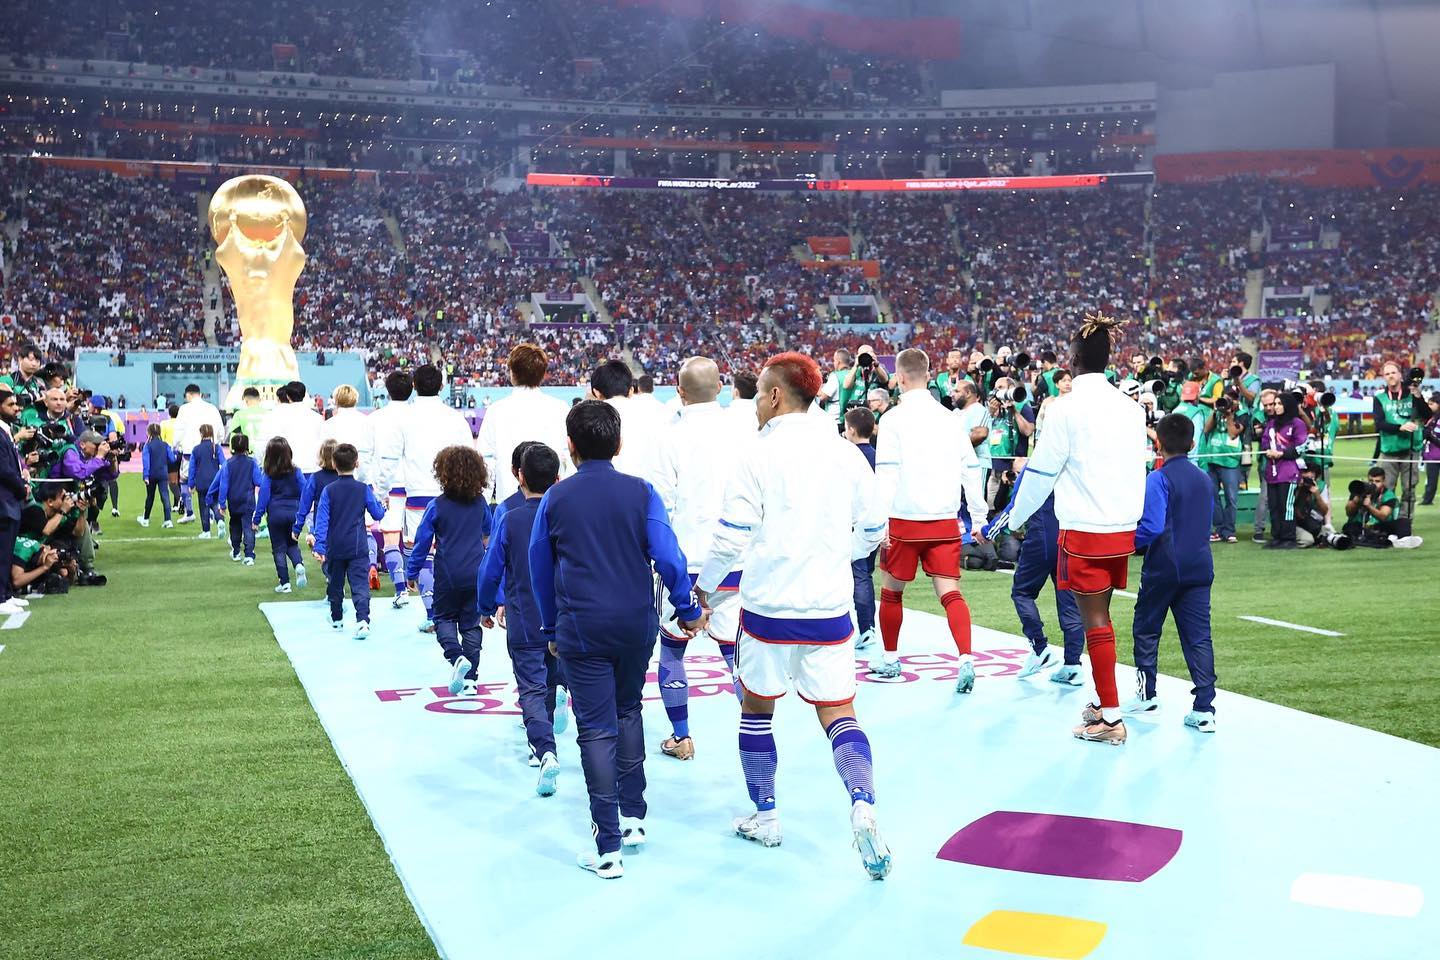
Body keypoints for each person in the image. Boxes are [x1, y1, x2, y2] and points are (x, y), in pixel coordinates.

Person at [694, 352, 891, 879]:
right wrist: (840, 556)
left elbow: (731, 536)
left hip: (767, 609)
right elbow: (875, 529)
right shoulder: (847, 454)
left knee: (756, 711)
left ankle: (767, 815)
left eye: (759, 393)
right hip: (828, 607)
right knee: (840, 714)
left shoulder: (755, 455)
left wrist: (704, 588)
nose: (756, 402)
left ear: (776, 395)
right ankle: (863, 805)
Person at [527, 400, 706, 879]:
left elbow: (539, 571)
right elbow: (669, 558)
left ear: (570, 446)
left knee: (596, 729)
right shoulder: (643, 492)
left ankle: (608, 846)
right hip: (635, 623)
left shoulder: (555, 499)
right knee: (628, 710)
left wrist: (550, 629)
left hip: (581, 627)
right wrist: (686, 610)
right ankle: (634, 818)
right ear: (619, 444)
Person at [987, 314, 1147, 746]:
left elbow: (1040, 475)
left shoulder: (1063, 409)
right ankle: (1104, 700)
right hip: (1121, 528)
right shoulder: (1132, 408)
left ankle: (1111, 718)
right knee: (1101, 618)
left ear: (1073, 361)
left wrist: (1011, 519)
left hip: (1085, 530)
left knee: (1096, 623)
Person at [868, 348, 988, 691]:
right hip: (943, 520)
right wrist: (978, 517)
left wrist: (878, 523)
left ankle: (890, 659)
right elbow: (971, 468)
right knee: (950, 593)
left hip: (904, 520)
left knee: (892, 594)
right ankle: (965, 657)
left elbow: (887, 474)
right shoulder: (952, 419)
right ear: (928, 372)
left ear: (900, 378)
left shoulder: (892, 420)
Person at [648, 357, 749, 762]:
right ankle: (756, 724)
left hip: (684, 564)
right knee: (735, 652)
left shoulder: (668, 437)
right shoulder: (744, 433)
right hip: (735, 561)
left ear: (679, 390)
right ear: (722, 386)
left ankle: (682, 736)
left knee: (672, 649)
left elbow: (660, 507)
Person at [478, 442, 566, 796]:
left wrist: (485, 605)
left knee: (530, 687)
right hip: (562, 616)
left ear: (519, 476)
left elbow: (490, 569)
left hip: (524, 616)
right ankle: (558, 697)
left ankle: (544, 750)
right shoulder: (566, 514)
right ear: (557, 478)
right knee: (553, 674)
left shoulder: (510, 517)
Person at [1127, 414, 1219, 732]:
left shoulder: (1157, 479)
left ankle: (1146, 694)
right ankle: (1205, 707)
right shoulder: (1205, 478)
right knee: (1198, 637)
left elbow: (1151, 526)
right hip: (1200, 565)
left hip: (1164, 566)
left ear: (1158, 443)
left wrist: (1125, 543)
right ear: (1193, 444)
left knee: (1146, 629)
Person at [406, 445, 492, 696]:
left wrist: (412, 572)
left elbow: (421, 543)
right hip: (476, 572)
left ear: (442, 473)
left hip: (447, 574)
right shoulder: (480, 503)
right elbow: (489, 533)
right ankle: (471, 679)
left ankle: (456, 658)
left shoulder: (437, 506)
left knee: (443, 618)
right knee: (470, 624)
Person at [397, 365, 474, 632]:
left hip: (419, 494)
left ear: (414, 385)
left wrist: (383, 490)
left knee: (421, 553)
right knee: (454, 552)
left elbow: (392, 458)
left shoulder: (404, 418)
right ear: (441, 386)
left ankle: (435, 612)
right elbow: (471, 458)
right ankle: (455, 613)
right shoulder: (456, 418)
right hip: (455, 494)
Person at [475, 343, 570, 505]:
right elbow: (569, 458)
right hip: (553, 501)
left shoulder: (496, 410)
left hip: (509, 502)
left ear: (512, 373)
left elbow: (485, 461)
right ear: (543, 373)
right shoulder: (560, 408)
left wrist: (483, 503)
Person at [313, 443, 386, 637]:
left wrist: (319, 546)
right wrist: (383, 506)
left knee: (335, 584)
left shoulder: (328, 491)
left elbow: (322, 521)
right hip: (358, 546)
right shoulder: (363, 489)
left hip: (335, 547)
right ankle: (362, 619)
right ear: (357, 464)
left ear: (334, 463)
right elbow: (377, 514)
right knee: (360, 584)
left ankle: (337, 618)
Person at [368, 370, 415, 608]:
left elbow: (370, 455)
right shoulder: (419, 416)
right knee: (413, 540)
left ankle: (401, 589)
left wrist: (377, 491)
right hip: (417, 486)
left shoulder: (376, 418)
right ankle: (417, 584)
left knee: (390, 538)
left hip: (390, 486)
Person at [843, 406, 879, 650]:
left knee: (857, 575)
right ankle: (867, 626)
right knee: (864, 573)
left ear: (851, 430)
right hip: (876, 525)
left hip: (853, 524)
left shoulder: (846, 458)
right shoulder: (880, 457)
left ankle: (865, 627)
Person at [1373, 361, 1425, 520]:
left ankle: (1405, 522)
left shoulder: (1412, 393)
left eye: (1393, 372)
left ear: (1400, 375)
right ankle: (1387, 521)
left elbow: (1426, 414)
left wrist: (1418, 396)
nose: (1390, 376)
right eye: (1387, 374)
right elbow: (1379, 423)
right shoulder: (1380, 398)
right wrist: (1399, 427)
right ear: (1384, 378)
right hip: (1389, 451)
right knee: (1386, 489)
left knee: (1409, 489)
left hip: (1410, 450)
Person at [588, 359, 656, 480]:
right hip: (645, 491)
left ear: (596, 393)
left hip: (601, 488)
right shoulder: (655, 415)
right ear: (630, 391)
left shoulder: (588, 418)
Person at [254, 438, 307, 593]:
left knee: (278, 549)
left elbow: (263, 497)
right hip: (293, 513)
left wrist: (257, 518)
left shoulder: (269, 475)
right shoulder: (296, 472)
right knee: (292, 544)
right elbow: (306, 490)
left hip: (275, 515)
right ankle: (298, 564)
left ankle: (284, 583)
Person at [1259, 391, 1309, 550]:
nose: (1276, 407)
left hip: (1288, 472)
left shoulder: (1297, 424)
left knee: (1286, 506)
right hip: (1272, 471)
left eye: (1279, 404)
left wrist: (1282, 453)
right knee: (1273, 506)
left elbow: (1301, 446)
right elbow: (1265, 442)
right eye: (1275, 404)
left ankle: (1288, 537)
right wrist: (1267, 450)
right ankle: (1277, 536)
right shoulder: (1272, 424)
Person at [208, 432, 263, 565]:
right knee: (248, 527)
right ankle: (249, 554)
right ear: (247, 446)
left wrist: (222, 504)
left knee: (235, 525)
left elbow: (224, 484)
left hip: (233, 500)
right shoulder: (252, 463)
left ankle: (236, 551)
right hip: (248, 500)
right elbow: (259, 481)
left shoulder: (228, 464)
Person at [172, 383, 224, 520]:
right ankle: (213, 511)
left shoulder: (184, 409)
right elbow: (220, 430)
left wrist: (174, 445)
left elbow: (178, 431)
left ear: (188, 395)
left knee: (184, 482)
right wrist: (217, 442)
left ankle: (189, 512)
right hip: (210, 450)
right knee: (211, 481)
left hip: (190, 452)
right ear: (199, 394)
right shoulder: (212, 408)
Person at [0, 387, 30, 614]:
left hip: (9, 500)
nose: (16, 408)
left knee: (7, 549)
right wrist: (21, 488)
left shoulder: (5, 432)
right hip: (4, 500)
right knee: (2, 550)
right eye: (10, 405)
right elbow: (4, 471)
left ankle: (6, 593)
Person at [1343, 466, 1423, 549]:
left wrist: (1369, 506)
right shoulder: (1359, 489)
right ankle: (1393, 539)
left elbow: (1383, 516)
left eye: (1377, 481)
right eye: (1371, 480)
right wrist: (1355, 502)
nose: (1374, 484)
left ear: (1383, 482)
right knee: (1349, 527)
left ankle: (1403, 540)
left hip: (1380, 525)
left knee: (1404, 522)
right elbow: (1349, 513)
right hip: (1360, 525)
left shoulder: (1388, 495)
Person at [258, 381, 324, 476]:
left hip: (286, 469)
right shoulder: (317, 418)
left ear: (288, 396)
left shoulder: (276, 415)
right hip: (312, 469)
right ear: (304, 395)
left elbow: (266, 442)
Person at [1203, 395, 1245, 543]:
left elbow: (1233, 433)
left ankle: (1229, 531)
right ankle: (1219, 529)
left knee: (1231, 498)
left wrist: (1229, 415)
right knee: (1212, 496)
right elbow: (1206, 429)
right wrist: (1215, 412)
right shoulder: (1216, 413)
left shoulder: (1242, 414)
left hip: (1230, 462)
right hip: (1212, 459)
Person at [318, 385, 373, 483]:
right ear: (356, 399)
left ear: (336, 400)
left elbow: (323, 455)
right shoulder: (367, 422)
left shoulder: (328, 425)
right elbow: (369, 453)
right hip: (363, 479)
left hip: (335, 480)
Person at [186, 424, 225, 539]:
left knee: (204, 506)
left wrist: (191, 484)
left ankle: (206, 531)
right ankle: (219, 521)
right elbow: (224, 464)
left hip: (201, 482)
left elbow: (191, 468)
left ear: (201, 434)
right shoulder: (216, 448)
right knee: (215, 503)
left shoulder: (196, 449)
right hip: (215, 481)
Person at [1251, 388, 1279, 542]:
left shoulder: (1282, 414)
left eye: (1271, 404)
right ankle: (1258, 530)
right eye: (1265, 405)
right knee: (1265, 496)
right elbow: (1258, 434)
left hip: (1283, 462)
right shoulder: (1258, 416)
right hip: (1266, 463)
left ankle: (1279, 528)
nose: (1268, 408)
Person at [139, 422, 176, 528]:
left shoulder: (147, 446)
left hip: (151, 474)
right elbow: (172, 459)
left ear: (149, 432)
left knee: (150, 496)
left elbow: (146, 462)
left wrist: (145, 476)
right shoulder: (165, 445)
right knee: (165, 496)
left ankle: (145, 519)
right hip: (163, 474)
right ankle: (168, 520)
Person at [1421, 395, 1440, 507]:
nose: (1429, 406)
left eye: (1432, 404)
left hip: (1436, 454)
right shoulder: (1431, 418)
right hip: (1432, 455)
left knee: (1431, 479)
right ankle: (1427, 500)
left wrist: (1431, 436)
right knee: (1431, 480)